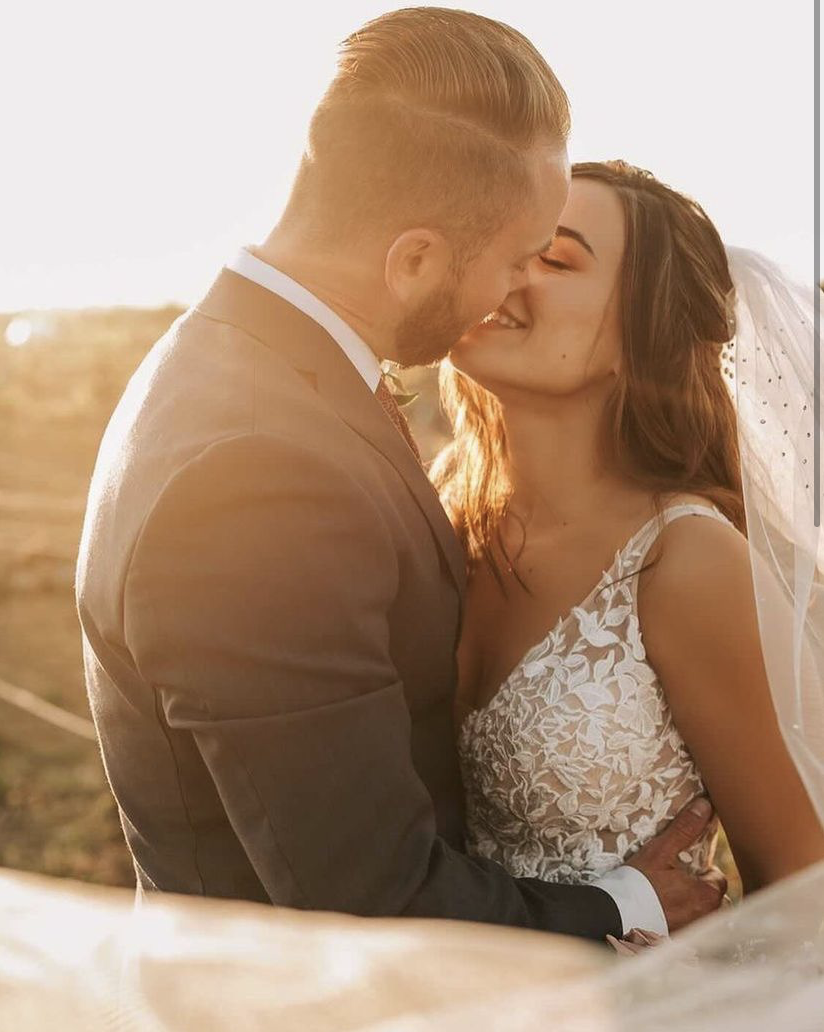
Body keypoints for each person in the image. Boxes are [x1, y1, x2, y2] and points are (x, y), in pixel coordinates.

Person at [75, 9, 720, 943]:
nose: (513, 292)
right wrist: (624, 904)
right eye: (515, 259)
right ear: (415, 258)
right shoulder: (263, 473)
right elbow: (369, 896)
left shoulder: (223, 361)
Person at [433, 160, 824, 943]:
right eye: (509, 245)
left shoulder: (688, 562)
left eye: (555, 258)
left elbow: (804, 896)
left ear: (638, 336)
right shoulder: (439, 515)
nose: (508, 270)